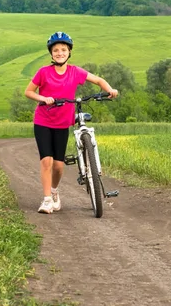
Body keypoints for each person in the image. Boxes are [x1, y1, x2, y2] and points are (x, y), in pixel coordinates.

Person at [24, 31, 118, 214]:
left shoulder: (75, 72)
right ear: (51, 53)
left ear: (69, 52)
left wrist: (110, 89)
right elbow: (29, 92)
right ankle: (46, 200)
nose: (60, 53)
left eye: (63, 50)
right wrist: (43, 98)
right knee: (46, 161)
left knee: (58, 166)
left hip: (62, 123)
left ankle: (54, 191)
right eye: (56, 50)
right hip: (43, 120)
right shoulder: (44, 72)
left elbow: (98, 80)